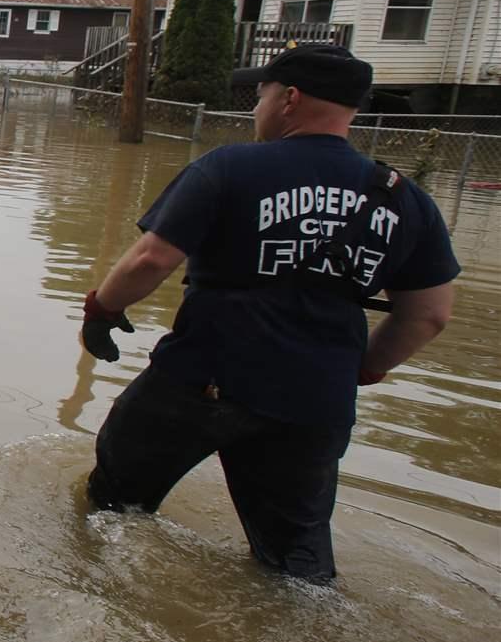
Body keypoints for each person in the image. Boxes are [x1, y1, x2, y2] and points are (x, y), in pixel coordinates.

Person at [79, 45, 458, 580]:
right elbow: (429, 315)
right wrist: (363, 368)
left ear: (290, 98)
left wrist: (102, 308)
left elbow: (151, 259)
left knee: (110, 512)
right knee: (294, 565)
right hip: (316, 404)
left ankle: (96, 596)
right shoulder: (404, 198)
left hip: (201, 382)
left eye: (261, 95)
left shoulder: (230, 167)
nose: (256, 108)